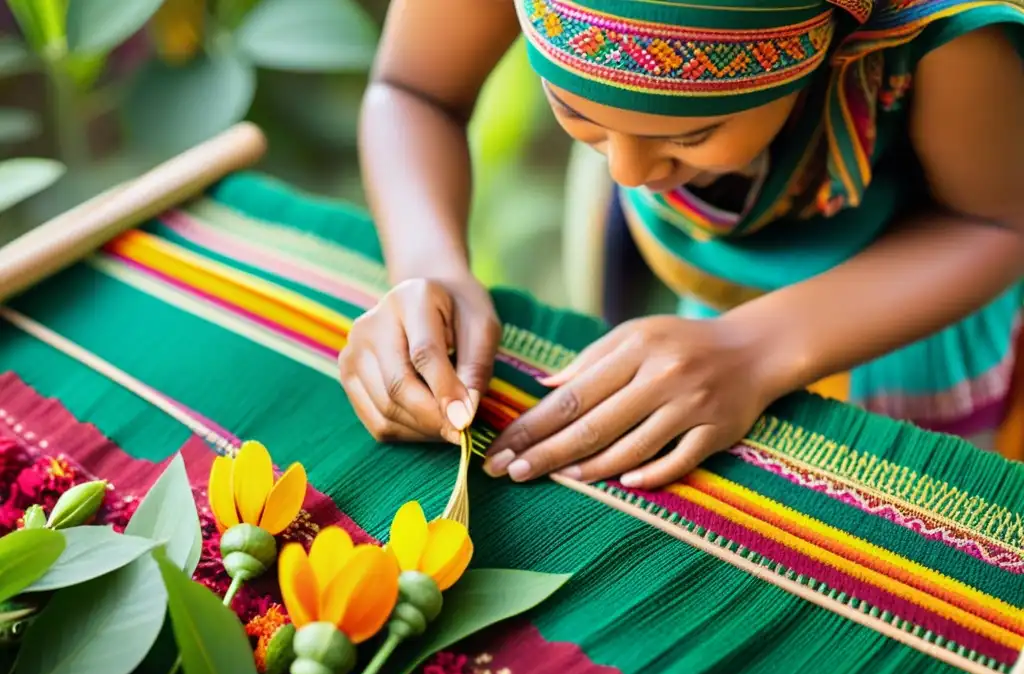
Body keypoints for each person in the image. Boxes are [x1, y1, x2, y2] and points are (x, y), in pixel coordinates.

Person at [340, 0, 1024, 490]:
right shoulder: (641, 162)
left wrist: (756, 348)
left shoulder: (946, 34)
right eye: (578, 111)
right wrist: (429, 265)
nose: (628, 176)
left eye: (692, 135)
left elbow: (998, 221)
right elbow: (412, 88)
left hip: (922, 310)